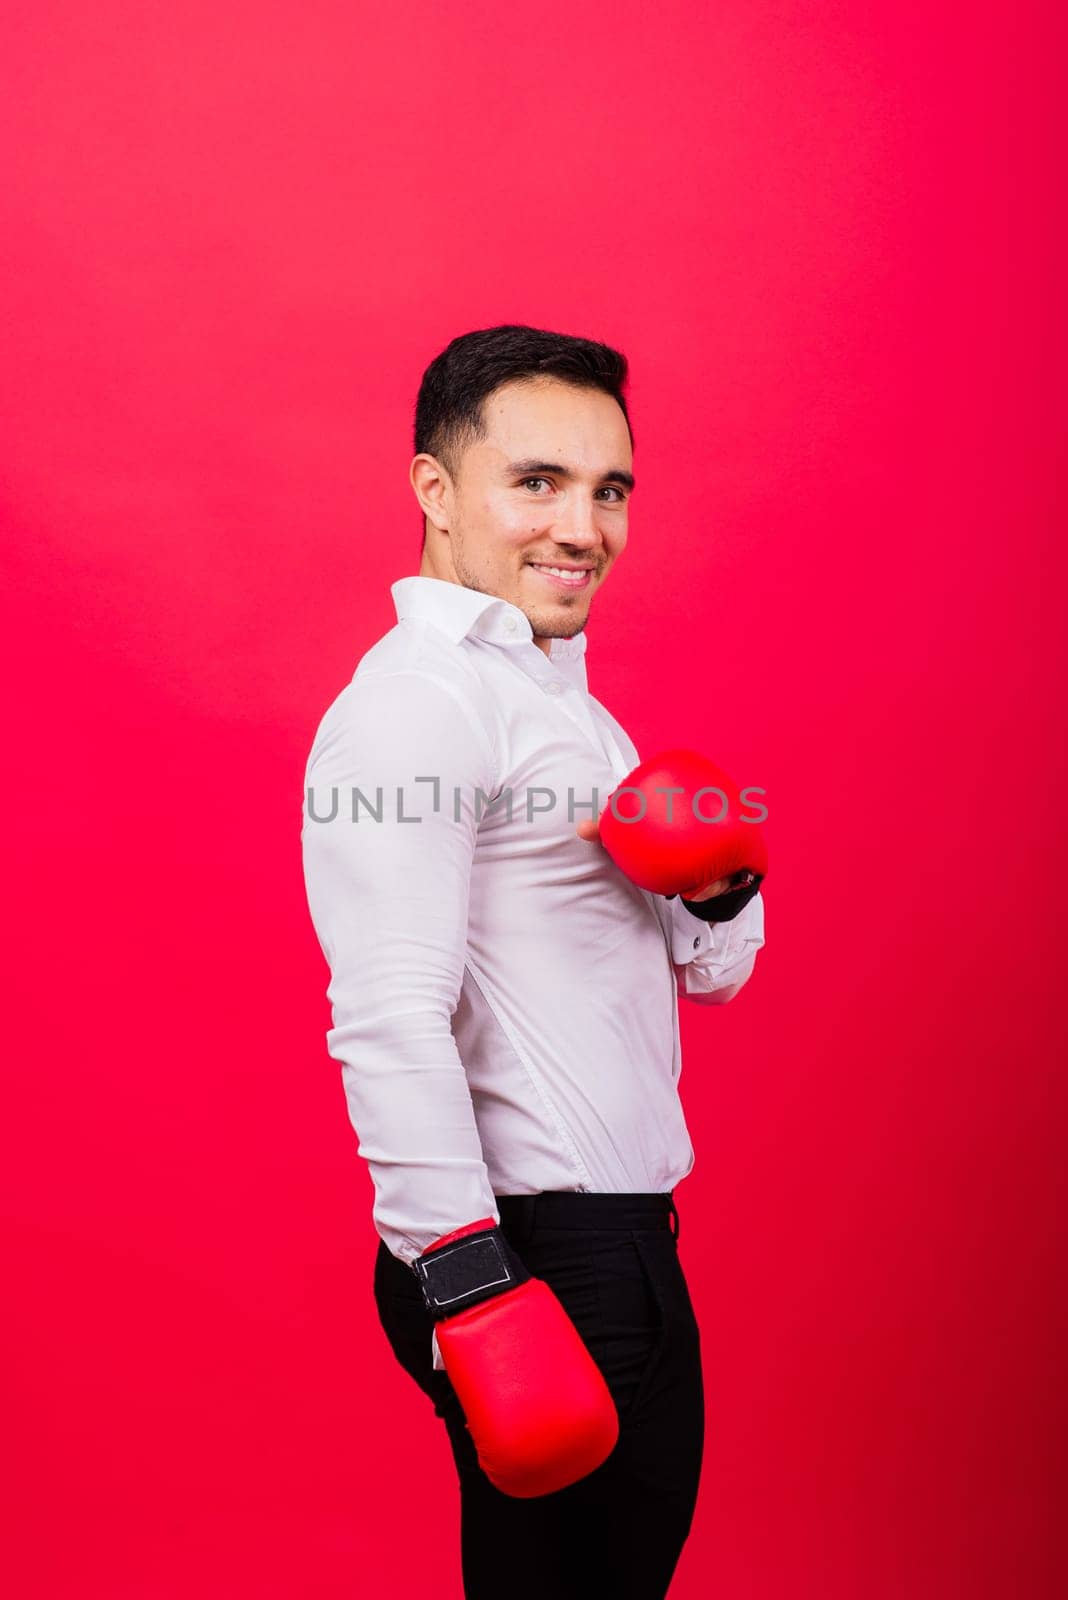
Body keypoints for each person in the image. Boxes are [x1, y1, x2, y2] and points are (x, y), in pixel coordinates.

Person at [300, 323, 766, 1598]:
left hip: (622, 1242)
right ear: (436, 492)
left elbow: (711, 974)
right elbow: (390, 1014)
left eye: (610, 489)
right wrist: (468, 1279)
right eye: (539, 483)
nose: (584, 526)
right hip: (534, 1247)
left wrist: (721, 879)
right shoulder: (420, 701)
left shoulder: (567, 702)